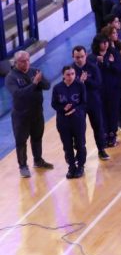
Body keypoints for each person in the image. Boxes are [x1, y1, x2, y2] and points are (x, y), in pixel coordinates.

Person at [6, 51, 53, 179]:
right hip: (21, 116)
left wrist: (40, 81)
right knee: (21, 142)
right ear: (16, 62)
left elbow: (47, 85)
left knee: (37, 137)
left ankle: (38, 160)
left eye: (28, 60)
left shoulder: (35, 71)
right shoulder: (11, 77)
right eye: (23, 61)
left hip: (37, 113)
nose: (26, 63)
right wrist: (34, 84)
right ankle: (23, 166)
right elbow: (18, 95)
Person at [51, 65, 87, 179]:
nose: (70, 76)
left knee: (80, 144)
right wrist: (63, 109)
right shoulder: (57, 88)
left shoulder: (80, 85)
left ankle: (80, 166)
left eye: (72, 74)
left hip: (78, 120)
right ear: (63, 75)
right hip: (63, 121)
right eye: (68, 74)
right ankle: (71, 167)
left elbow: (84, 103)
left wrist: (75, 109)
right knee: (67, 146)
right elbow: (54, 104)